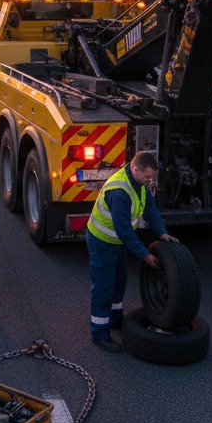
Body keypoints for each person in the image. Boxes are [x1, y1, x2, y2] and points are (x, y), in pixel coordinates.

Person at [86, 151, 177, 352]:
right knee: (104, 286)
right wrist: (146, 256)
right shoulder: (120, 192)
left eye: (152, 177)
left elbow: (150, 210)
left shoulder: (140, 184)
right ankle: (99, 333)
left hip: (116, 241)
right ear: (135, 169)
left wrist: (162, 234)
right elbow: (124, 231)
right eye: (148, 177)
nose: (150, 181)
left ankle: (115, 319)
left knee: (120, 279)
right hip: (102, 241)